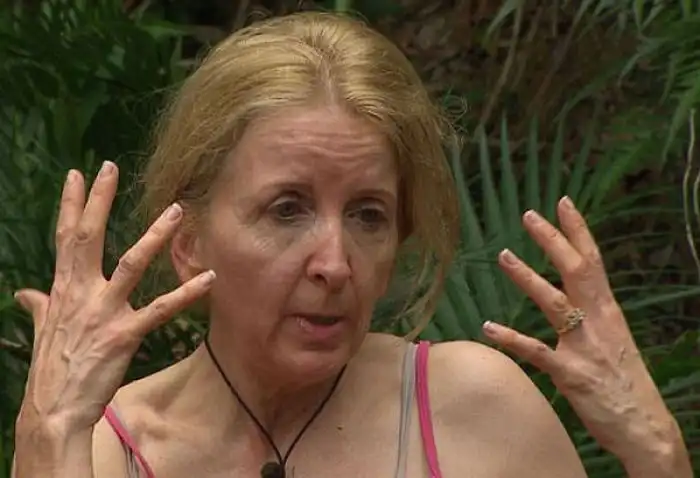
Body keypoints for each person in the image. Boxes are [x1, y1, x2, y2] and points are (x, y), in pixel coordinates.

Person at [12, 11, 692, 478]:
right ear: (188, 241)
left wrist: (656, 453)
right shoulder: (102, 450)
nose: (335, 265)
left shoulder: (474, 410)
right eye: (287, 209)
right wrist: (53, 432)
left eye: (368, 215)